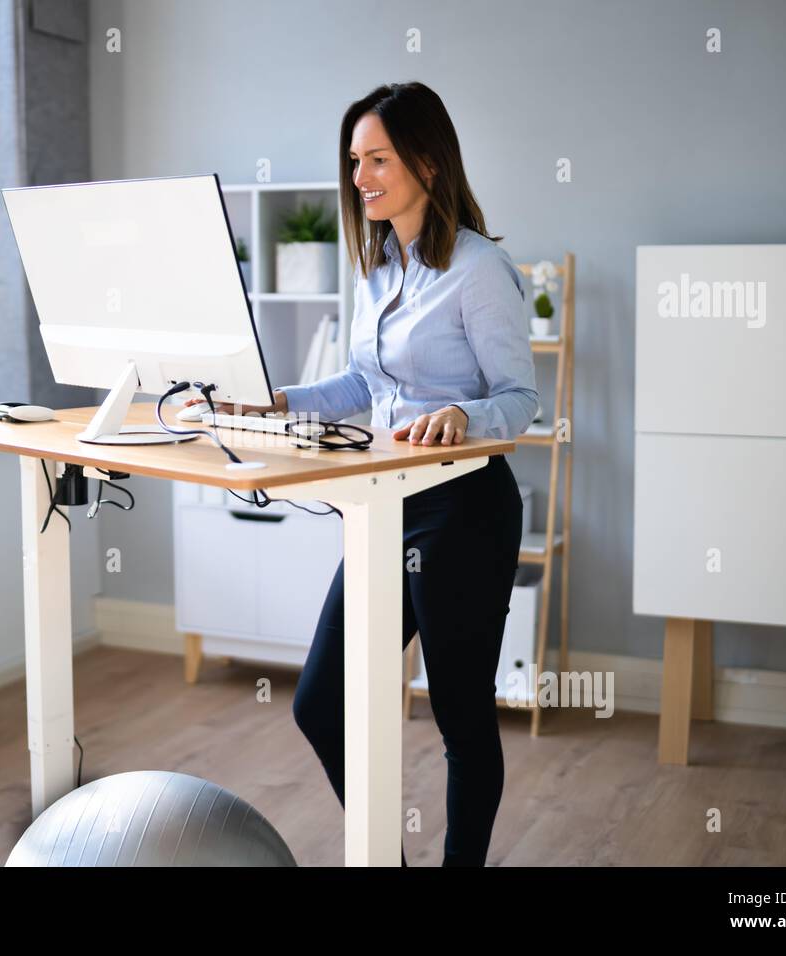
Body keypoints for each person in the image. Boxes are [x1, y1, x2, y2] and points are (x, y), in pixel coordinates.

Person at [184, 81, 537, 866]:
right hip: (389, 509)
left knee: (459, 717)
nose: (361, 176)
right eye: (354, 160)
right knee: (321, 705)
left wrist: (463, 418)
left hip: (465, 509)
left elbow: (521, 400)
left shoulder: (480, 270)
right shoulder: (377, 267)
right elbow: (361, 388)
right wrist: (278, 401)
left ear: (428, 163)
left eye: (377, 158)